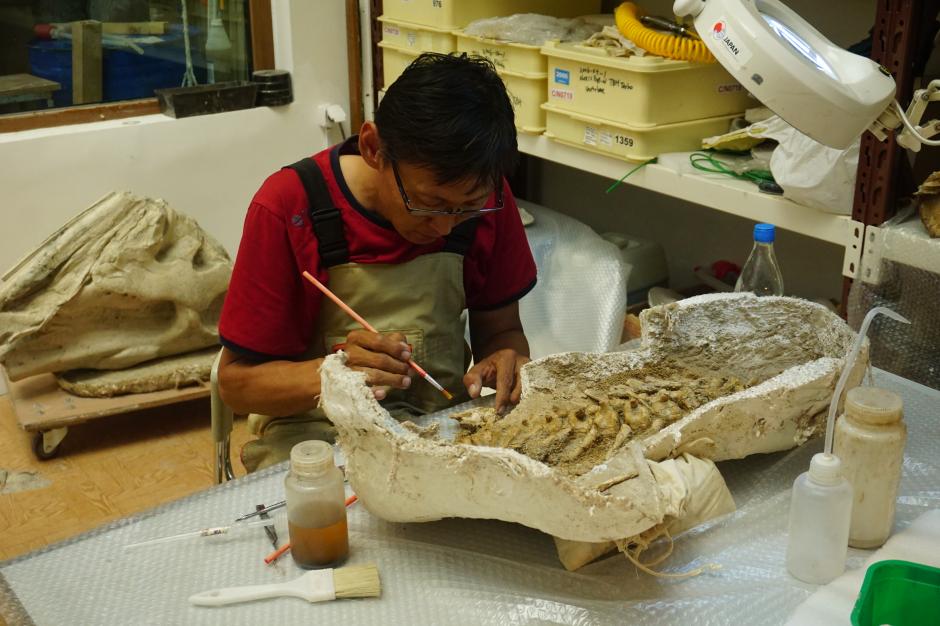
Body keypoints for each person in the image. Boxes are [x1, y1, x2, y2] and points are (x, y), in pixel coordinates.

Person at [217, 53, 538, 471]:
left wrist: (507, 359)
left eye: (465, 208)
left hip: (439, 425)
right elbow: (236, 384)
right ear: (373, 148)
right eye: (427, 203)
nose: (444, 228)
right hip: (319, 436)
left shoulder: (486, 201)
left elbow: (503, 331)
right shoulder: (290, 207)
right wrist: (332, 375)